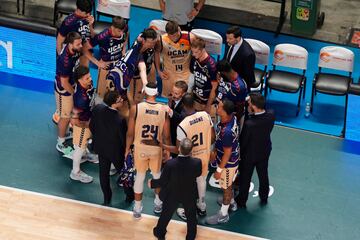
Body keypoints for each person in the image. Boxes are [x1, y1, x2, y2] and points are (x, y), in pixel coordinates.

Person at [163, 93, 214, 218]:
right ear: (195, 103)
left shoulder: (183, 125)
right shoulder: (206, 115)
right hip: (205, 155)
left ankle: (188, 211)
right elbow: (213, 137)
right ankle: (202, 207)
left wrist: (162, 146)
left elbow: (178, 149)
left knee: (189, 185)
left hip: (191, 159)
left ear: (184, 106)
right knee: (202, 181)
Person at [126, 82, 171, 219]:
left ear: (145, 92)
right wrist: (167, 150)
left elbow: (130, 133)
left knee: (139, 177)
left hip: (140, 148)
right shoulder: (164, 109)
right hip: (156, 148)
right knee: (157, 177)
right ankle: (158, 204)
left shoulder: (136, 108)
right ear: (157, 94)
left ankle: (137, 209)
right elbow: (167, 135)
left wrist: (127, 149)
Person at [148, 138, 201, 240]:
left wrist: (152, 183)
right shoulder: (197, 162)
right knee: (191, 217)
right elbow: (198, 174)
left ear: (179, 149)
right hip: (189, 194)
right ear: (191, 150)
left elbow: (163, 181)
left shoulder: (170, 164)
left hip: (172, 194)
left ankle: (160, 233)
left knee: (166, 214)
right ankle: (190, 237)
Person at [53, 0, 94, 124]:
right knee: (66, 83)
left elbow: (91, 35)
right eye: (85, 13)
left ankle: (75, 111)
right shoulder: (68, 22)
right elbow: (59, 41)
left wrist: (91, 25)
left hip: (83, 53)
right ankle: (60, 110)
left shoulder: (87, 18)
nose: (87, 14)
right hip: (71, 55)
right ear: (79, 10)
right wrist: (62, 58)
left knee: (79, 81)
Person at [89, 90, 134, 205]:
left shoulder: (98, 109)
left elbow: (92, 126)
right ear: (114, 103)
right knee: (123, 174)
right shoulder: (120, 119)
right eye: (120, 100)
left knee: (103, 174)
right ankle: (130, 196)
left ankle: (107, 198)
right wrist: (127, 151)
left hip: (101, 148)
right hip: (116, 151)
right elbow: (123, 139)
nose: (122, 100)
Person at [106, 28, 158, 118]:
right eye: (150, 43)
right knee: (125, 110)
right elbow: (142, 68)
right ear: (143, 41)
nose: (152, 45)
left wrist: (145, 83)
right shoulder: (135, 54)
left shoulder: (141, 43)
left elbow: (143, 69)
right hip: (118, 81)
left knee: (130, 105)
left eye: (154, 42)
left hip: (122, 82)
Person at [235, 93, 275, 208]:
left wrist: (240, 156)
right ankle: (264, 196)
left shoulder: (249, 124)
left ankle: (241, 201)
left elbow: (243, 142)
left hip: (249, 156)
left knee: (245, 178)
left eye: (249, 103)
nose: (248, 104)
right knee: (263, 175)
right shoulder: (271, 115)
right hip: (264, 151)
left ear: (253, 106)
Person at [206, 99, 239, 225]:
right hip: (231, 158)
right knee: (228, 184)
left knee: (226, 187)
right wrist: (214, 149)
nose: (217, 108)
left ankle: (223, 214)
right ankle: (231, 202)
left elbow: (227, 152)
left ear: (225, 112)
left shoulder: (227, 132)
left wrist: (219, 170)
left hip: (228, 163)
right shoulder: (231, 118)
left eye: (219, 107)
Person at [83, 16, 128, 99]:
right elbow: (84, 49)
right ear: (113, 27)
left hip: (118, 65)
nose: (121, 33)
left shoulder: (124, 29)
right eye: (119, 31)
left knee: (117, 93)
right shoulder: (102, 37)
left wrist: (123, 51)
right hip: (106, 66)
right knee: (102, 95)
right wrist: (97, 63)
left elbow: (126, 36)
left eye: (122, 31)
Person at [55, 32, 83, 154]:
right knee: (65, 116)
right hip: (63, 90)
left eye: (80, 43)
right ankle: (60, 143)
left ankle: (65, 133)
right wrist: (75, 94)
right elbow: (64, 82)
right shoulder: (65, 60)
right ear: (70, 44)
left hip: (71, 84)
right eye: (78, 44)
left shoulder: (75, 50)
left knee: (70, 112)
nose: (81, 45)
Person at [68, 66, 95, 183]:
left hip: (88, 119)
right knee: (80, 147)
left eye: (89, 76)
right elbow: (74, 120)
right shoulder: (80, 98)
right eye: (87, 78)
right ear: (79, 80)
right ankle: (75, 172)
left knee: (83, 144)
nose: (90, 79)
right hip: (82, 124)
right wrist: (85, 126)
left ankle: (85, 155)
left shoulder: (88, 85)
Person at [155, 20, 195, 98]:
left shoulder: (190, 37)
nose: (173, 38)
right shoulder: (162, 40)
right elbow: (156, 53)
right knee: (170, 98)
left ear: (179, 30)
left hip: (185, 73)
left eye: (175, 35)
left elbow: (197, 51)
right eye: (171, 36)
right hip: (169, 73)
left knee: (185, 98)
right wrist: (159, 71)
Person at [216, 59, 248, 129]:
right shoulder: (222, 75)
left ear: (224, 72)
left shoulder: (240, 87)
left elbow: (240, 107)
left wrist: (235, 121)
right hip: (220, 110)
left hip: (231, 116)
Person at [190, 38, 217, 116]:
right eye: (192, 51)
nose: (193, 54)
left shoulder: (211, 65)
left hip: (207, 101)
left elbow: (214, 87)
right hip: (196, 98)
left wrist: (208, 105)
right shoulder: (194, 59)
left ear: (202, 50)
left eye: (196, 52)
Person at [224, 26, 255, 90]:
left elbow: (247, 75)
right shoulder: (230, 43)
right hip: (228, 76)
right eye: (227, 38)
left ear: (238, 38)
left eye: (230, 38)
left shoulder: (248, 54)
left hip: (239, 81)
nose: (227, 40)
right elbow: (226, 58)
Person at [166, 80, 188, 157]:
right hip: (172, 133)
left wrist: (170, 111)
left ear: (184, 94)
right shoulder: (172, 99)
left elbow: (182, 118)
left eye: (176, 93)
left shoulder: (186, 104)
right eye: (173, 92)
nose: (173, 95)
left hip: (180, 136)